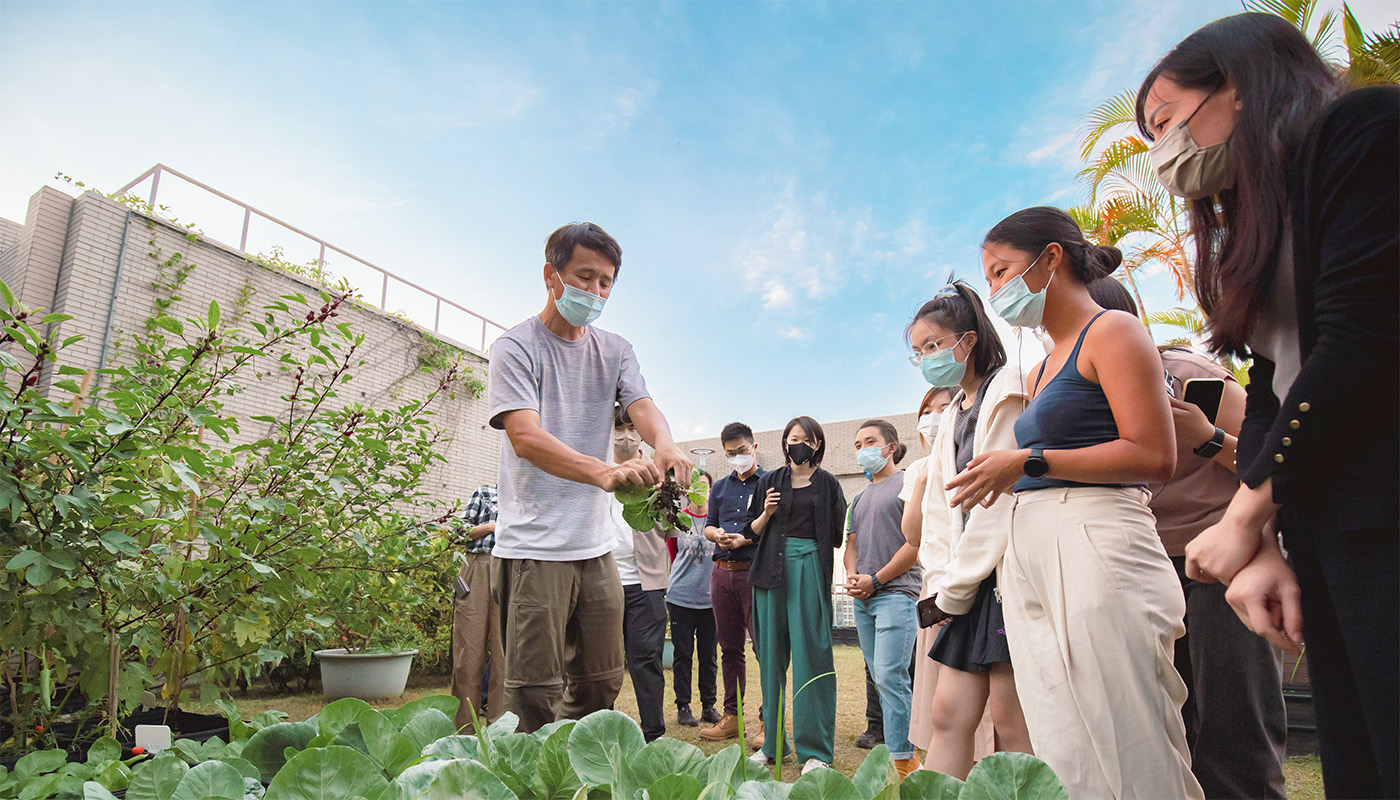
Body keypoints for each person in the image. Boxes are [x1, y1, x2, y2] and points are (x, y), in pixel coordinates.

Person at [1136, 16, 1397, 795]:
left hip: (1384, 508)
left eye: (1164, 122)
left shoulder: (1362, 130)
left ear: (1239, 88)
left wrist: (1243, 517)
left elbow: (1363, 341)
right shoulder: (1261, 223)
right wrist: (1270, 542)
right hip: (1329, 524)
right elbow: (1275, 391)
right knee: (1360, 760)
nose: (1160, 154)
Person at [946, 206, 1202, 799]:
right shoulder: (1038, 371)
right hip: (1033, 546)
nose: (996, 290)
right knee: (1062, 736)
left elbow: (1153, 455)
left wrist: (1029, 461)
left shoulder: (1112, 331)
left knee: (1127, 730)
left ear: (1051, 258)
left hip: (1096, 537)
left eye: (1002, 270)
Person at [488, 222, 691, 733]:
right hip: (535, 547)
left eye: (606, 282)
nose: (596, 292)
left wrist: (663, 441)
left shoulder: (615, 349)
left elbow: (642, 406)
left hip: (595, 547)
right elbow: (525, 437)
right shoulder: (515, 347)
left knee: (602, 682)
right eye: (585, 277)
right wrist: (603, 471)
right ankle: (533, 771)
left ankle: (572, 764)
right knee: (533, 691)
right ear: (551, 276)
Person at [1090, 277, 1287, 798]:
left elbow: (1275, 464)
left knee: (1233, 718)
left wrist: (1207, 437)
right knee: (1169, 722)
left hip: (1220, 562)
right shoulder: (1076, 394)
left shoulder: (1189, 378)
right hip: (1139, 568)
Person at [901, 282, 1034, 779]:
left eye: (934, 345)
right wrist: (943, 580)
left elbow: (996, 505)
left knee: (1009, 717)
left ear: (969, 339)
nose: (928, 358)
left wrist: (955, 586)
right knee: (947, 713)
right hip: (965, 582)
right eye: (919, 353)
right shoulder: (957, 407)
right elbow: (940, 509)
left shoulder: (1009, 390)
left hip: (1003, 576)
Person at [744, 416, 846, 775]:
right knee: (770, 660)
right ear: (784, 442)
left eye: (804, 439)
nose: (797, 444)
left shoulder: (830, 483)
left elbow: (836, 533)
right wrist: (767, 513)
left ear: (817, 443)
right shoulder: (769, 481)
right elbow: (751, 531)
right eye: (791, 438)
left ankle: (815, 751)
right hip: (769, 572)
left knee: (812, 660)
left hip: (808, 570)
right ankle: (772, 746)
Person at [842, 420, 922, 779]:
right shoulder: (858, 498)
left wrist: (876, 579)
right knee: (880, 677)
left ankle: (904, 761)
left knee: (892, 677)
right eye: (858, 444)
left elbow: (915, 544)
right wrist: (854, 577)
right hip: (864, 599)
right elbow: (851, 546)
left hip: (897, 594)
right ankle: (896, 757)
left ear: (890, 447)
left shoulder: (909, 484)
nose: (863, 450)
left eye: (870, 442)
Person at [609, 406, 676, 742]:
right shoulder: (596, 471)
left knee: (645, 659)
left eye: (630, 426)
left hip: (645, 583)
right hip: (601, 581)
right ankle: (598, 728)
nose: (624, 433)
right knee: (598, 663)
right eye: (617, 426)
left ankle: (653, 734)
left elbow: (672, 530)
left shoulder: (659, 475)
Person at [699, 423, 766, 746]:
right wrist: (719, 535)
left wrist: (747, 538)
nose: (737, 458)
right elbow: (709, 527)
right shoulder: (720, 488)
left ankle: (769, 720)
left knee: (763, 649)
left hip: (754, 573)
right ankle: (732, 717)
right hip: (721, 572)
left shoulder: (770, 483)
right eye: (730, 454)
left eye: (741, 451)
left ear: (754, 447)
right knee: (729, 649)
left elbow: (777, 527)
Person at [450, 483, 505, 732]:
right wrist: (492, 527)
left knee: (506, 657)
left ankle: (501, 730)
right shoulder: (485, 493)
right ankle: (464, 730)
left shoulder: (528, 498)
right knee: (468, 653)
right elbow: (458, 533)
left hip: (511, 570)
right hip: (478, 568)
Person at [669, 470, 720, 729]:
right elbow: (671, 555)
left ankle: (709, 706)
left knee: (709, 655)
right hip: (681, 598)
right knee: (683, 654)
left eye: (705, 487)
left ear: (710, 490)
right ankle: (683, 706)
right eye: (694, 488)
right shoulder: (677, 520)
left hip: (711, 601)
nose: (699, 492)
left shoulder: (717, 521)